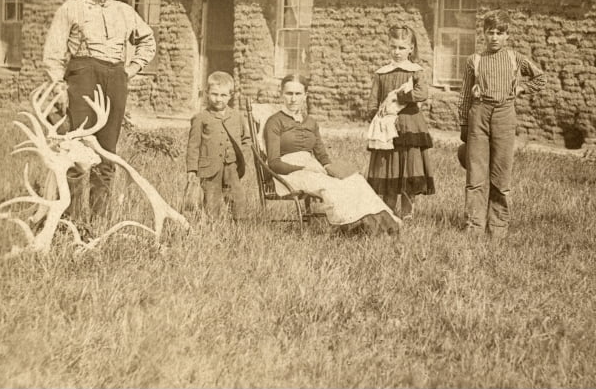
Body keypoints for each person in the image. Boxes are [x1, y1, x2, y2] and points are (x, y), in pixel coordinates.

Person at [42, 0, 156, 215]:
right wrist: (59, 86)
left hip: (115, 79)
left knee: (107, 149)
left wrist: (130, 69)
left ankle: (98, 216)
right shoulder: (71, 8)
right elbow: (53, 52)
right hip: (82, 77)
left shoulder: (125, 12)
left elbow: (148, 41)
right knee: (77, 148)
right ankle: (69, 217)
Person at [264, 74, 401, 234]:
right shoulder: (274, 121)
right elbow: (273, 163)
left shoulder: (311, 122)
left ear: (305, 95)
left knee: (355, 180)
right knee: (331, 185)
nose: (293, 99)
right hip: (287, 174)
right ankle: (347, 227)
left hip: (312, 168)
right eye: (289, 94)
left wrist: (333, 170)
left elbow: (322, 156)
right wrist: (304, 167)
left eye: (298, 94)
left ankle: (384, 224)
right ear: (281, 94)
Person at [459, 10, 546, 237]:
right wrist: (464, 125)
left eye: (500, 33)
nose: (494, 37)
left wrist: (521, 88)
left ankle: (498, 228)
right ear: (483, 34)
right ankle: (473, 227)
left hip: (505, 115)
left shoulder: (514, 58)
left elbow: (540, 77)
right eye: (490, 32)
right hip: (478, 114)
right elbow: (465, 96)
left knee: (501, 174)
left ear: (507, 35)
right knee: (475, 176)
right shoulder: (474, 60)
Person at [365, 25, 435, 220]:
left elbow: (422, 93)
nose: (397, 52)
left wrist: (400, 98)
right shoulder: (382, 73)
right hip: (387, 128)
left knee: (408, 167)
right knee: (389, 167)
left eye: (402, 48)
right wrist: (375, 118)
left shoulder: (415, 71)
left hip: (409, 126)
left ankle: (407, 213)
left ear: (411, 48)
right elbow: (373, 99)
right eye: (393, 47)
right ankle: (388, 212)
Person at [186, 71, 251, 220]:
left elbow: (246, 139)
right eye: (214, 94)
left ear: (230, 95)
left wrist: (241, 158)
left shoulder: (237, 116)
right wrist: (192, 169)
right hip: (209, 168)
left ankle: (238, 228)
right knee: (211, 200)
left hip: (231, 167)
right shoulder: (201, 118)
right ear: (207, 93)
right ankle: (211, 228)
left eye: (223, 95)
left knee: (237, 198)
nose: (218, 99)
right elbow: (193, 145)